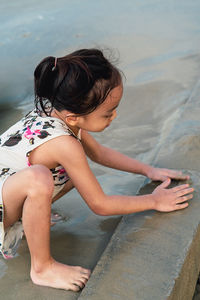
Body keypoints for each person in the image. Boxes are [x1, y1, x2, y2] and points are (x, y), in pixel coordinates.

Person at [0, 48, 193, 291]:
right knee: (42, 178)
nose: (114, 116)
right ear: (74, 117)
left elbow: (100, 154)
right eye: (107, 113)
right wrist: (154, 201)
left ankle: (32, 219)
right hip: (4, 197)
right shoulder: (65, 143)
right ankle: (42, 268)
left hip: (7, 188)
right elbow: (100, 204)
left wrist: (148, 170)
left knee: (70, 173)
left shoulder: (59, 114)